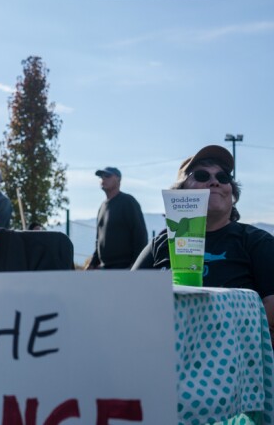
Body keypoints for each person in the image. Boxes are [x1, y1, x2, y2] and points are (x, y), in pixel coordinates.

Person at [132, 145, 273, 338]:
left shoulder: (256, 241)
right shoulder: (161, 244)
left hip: (230, 355)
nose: (214, 182)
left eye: (223, 177)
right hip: (166, 350)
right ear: (181, 193)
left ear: (232, 193)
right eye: (201, 176)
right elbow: (129, 299)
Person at [88, 166, 147, 270]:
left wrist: (136, 265)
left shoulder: (128, 202)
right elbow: (99, 241)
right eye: (101, 177)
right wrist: (92, 263)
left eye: (107, 176)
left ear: (118, 179)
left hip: (125, 267)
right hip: (104, 267)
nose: (103, 179)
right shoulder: (102, 207)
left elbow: (140, 234)